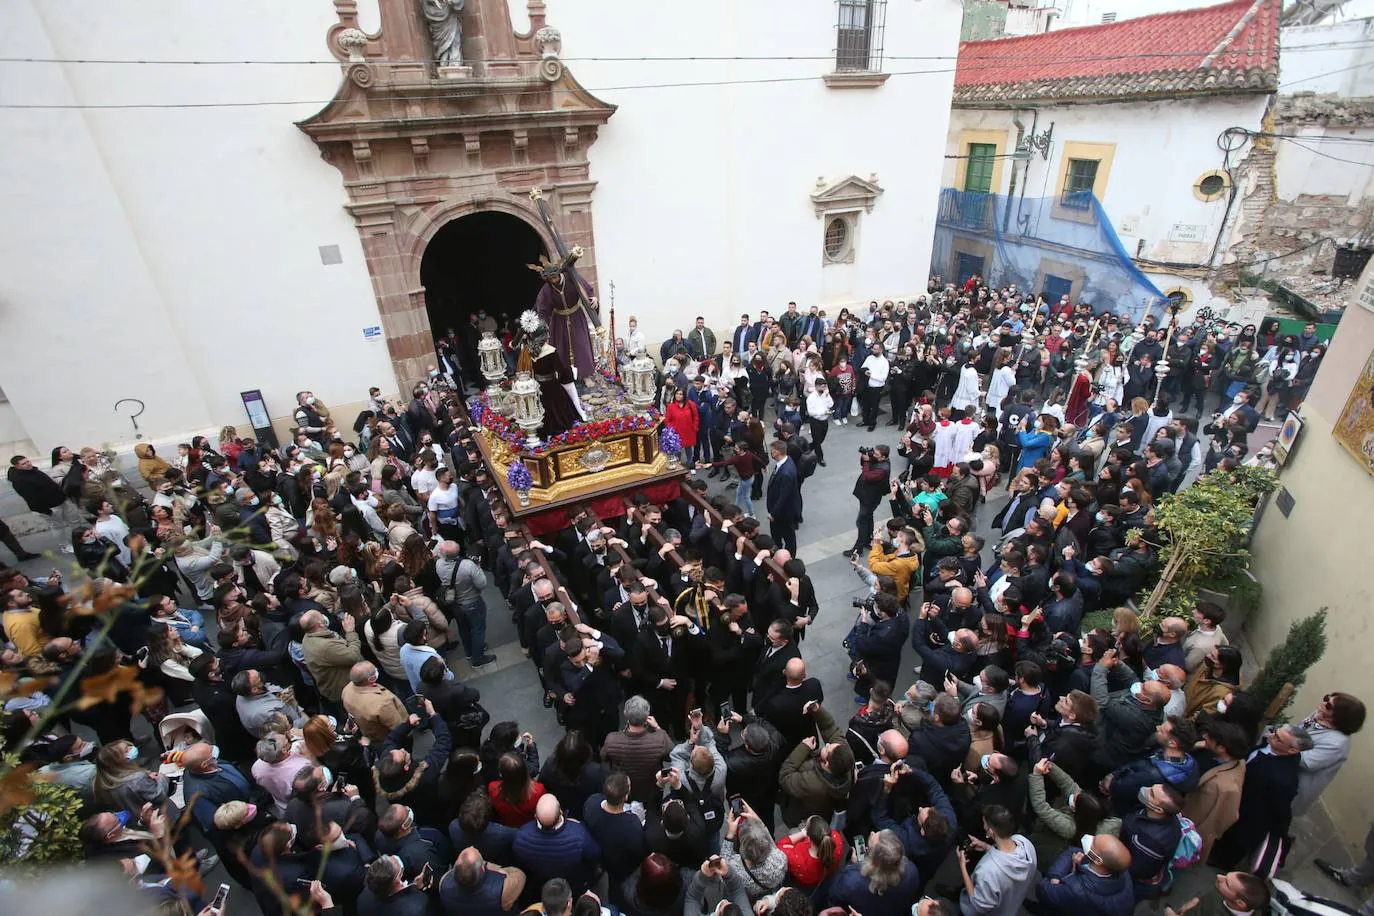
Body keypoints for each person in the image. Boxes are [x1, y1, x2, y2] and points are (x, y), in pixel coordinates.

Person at [1210, 724, 1313, 870]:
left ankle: (1221, 861)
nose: (1270, 736)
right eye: (1275, 732)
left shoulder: (1283, 781)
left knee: (1231, 845)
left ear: (1292, 750)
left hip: (1248, 816)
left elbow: (1279, 811)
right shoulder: (1271, 744)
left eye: (1278, 738)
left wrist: (1280, 833)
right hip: (1236, 800)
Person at [511, 795, 602, 896]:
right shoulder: (580, 834)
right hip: (571, 884)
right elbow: (594, 853)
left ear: (535, 815)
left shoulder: (521, 836)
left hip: (540, 885)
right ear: (561, 812)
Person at [1294, 690, 1365, 816]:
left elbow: (1307, 762)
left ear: (1339, 716)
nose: (1323, 703)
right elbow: (1298, 729)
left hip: (1294, 785)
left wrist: (1284, 741)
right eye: (1326, 698)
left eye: (1328, 706)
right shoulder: (1319, 716)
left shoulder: (1336, 743)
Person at [1034, 834, 1136, 916]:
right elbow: (1073, 851)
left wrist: (1055, 877)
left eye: (1093, 844)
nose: (1090, 839)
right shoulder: (1121, 871)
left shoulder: (1076, 890)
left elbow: (1043, 890)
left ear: (1098, 860)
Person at [825, 830, 921, 916]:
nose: (872, 833)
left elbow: (833, 896)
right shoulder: (912, 871)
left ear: (872, 860)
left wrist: (853, 865)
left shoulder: (851, 880)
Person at [439, 846, 527, 915]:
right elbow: (519, 874)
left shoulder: (443, 883)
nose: (472, 847)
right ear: (483, 869)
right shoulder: (503, 890)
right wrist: (494, 867)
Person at [765, 440, 800, 554]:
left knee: (787, 536)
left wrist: (773, 513)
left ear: (777, 452)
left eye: (772, 451)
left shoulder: (786, 473)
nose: (771, 453)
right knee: (778, 535)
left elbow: (783, 496)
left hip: (783, 513)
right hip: (781, 511)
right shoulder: (787, 462)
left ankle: (788, 556)